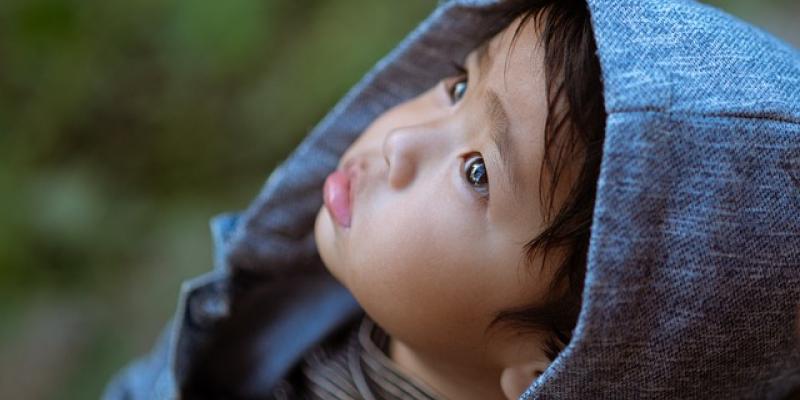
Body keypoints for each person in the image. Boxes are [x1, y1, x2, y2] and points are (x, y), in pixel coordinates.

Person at [104, 0, 800, 399]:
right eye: (458, 87)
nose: (403, 140)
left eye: (477, 173)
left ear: (547, 367)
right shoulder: (300, 307)